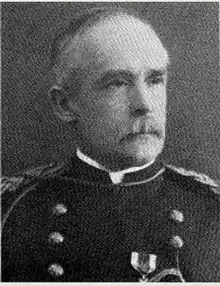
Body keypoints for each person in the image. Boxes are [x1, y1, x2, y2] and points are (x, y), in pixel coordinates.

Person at [1, 6, 220, 282]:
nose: (144, 105)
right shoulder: (12, 212)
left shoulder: (210, 211)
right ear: (65, 104)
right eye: (117, 83)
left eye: (155, 80)